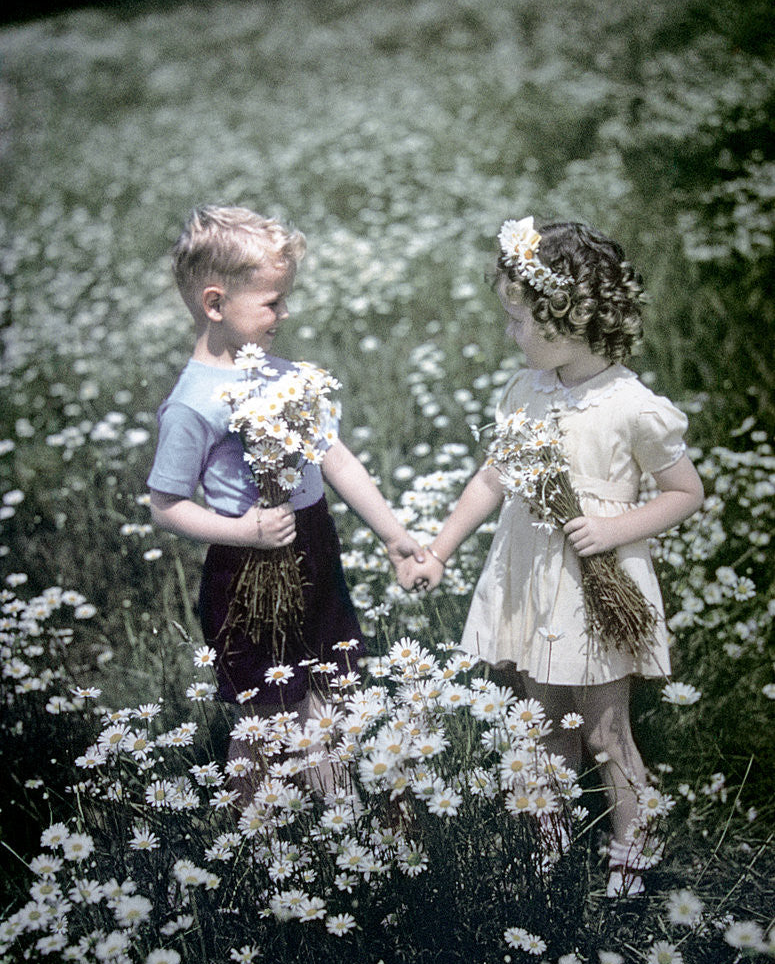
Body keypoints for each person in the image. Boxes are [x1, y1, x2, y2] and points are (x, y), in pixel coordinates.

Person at [398, 216, 704, 895]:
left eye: (518, 321)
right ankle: (552, 838)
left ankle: (633, 837)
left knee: (603, 734)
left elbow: (685, 491)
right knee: (544, 727)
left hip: (594, 586)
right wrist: (439, 549)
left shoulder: (632, 407)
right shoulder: (525, 390)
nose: (510, 335)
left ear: (569, 317)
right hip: (533, 576)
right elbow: (492, 476)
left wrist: (615, 527)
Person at [147, 204, 425, 796]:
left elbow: (337, 459)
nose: (285, 312)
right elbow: (166, 503)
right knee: (264, 713)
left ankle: (339, 818)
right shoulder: (193, 403)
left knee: (333, 692)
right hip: (247, 566)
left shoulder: (287, 376)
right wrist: (245, 531)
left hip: (315, 548)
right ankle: (252, 835)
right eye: (272, 302)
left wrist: (395, 536)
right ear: (215, 304)